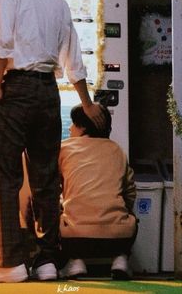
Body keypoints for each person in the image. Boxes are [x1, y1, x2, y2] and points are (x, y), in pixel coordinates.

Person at [0, 0, 105, 283]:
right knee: (46, 178)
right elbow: (74, 60)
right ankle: (47, 262)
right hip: (48, 92)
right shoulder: (58, 3)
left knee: (7, 174)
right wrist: (87, 105)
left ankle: (10, 264)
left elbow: (1, 41)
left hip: (15, 88)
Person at [58, 104, 137, 280]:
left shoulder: (64, 149)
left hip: (74, 238)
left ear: (83, 127)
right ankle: (120, 259)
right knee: (129, 214)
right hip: (119, 237)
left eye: (73, 123)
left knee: (56, 210)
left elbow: (51, 186)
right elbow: (130, 192)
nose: (70, 128)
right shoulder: (117, 150)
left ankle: (75, 261)